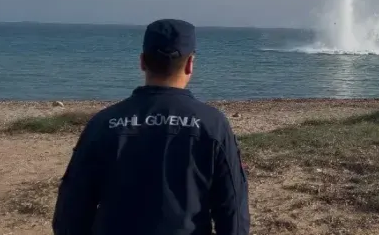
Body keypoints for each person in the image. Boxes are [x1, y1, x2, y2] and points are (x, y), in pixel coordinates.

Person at [52, 19, 250, 235]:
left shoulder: (104, 123)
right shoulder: (213, 124)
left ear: (142, 62)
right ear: (190, 64)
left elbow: (70, 211)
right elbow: (233, 212)